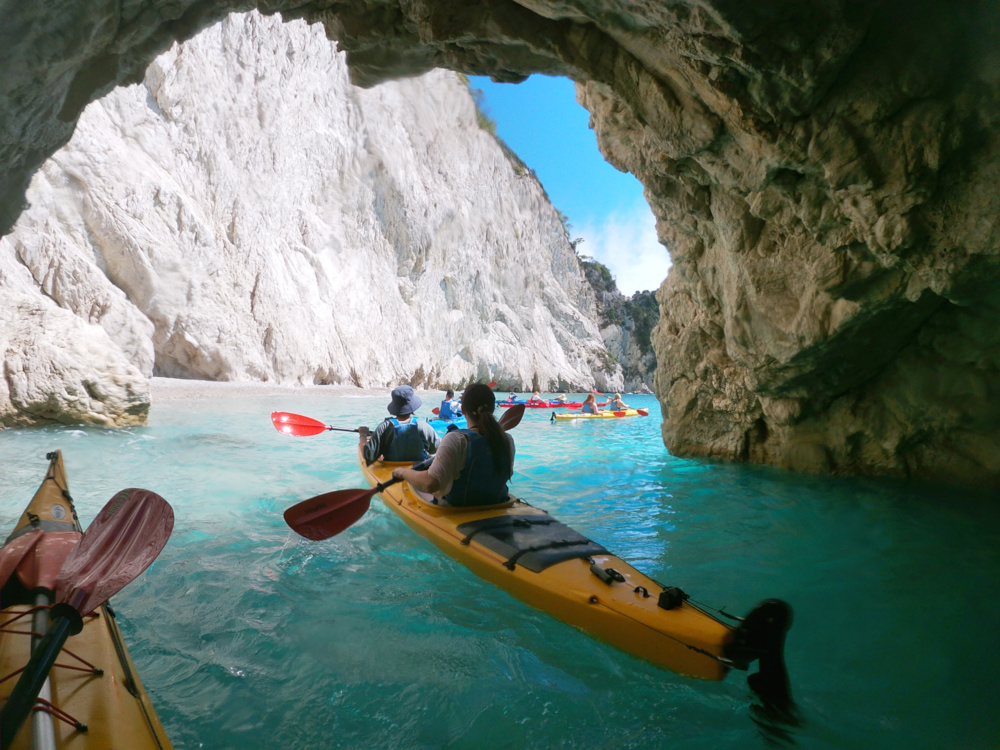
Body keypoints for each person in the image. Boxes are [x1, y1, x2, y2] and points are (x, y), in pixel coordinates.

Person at [391, 382, 515, 507]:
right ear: (493, 409)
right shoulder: (506, 440)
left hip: (459, 511)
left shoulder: (456, 439)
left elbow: (429, 484)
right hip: (499, 506)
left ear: (463, 410)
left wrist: (403, 472)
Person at [359, 385, 439, 465]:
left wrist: (362, 434)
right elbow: (436, 448)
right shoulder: (423, 426)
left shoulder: (384, 427)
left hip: (391, 470)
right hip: (418, 469)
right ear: (412, 407)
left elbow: (368, 456)